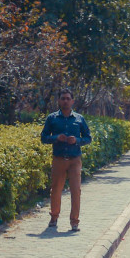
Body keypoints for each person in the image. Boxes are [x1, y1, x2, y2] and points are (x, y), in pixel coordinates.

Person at [40, 89, 91, 231]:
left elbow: (88, 138)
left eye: (68, 98)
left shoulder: (79, 119)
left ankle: (74, 221)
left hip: (75, 159)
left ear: (72, 101)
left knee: (76, 190)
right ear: (59, 101)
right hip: (59, 159)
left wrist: (77, 140)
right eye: (63, 98)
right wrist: (56, 138)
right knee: (56, 189)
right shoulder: (52, 118)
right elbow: (43, 137)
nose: (65, 101)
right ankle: (54, 217)